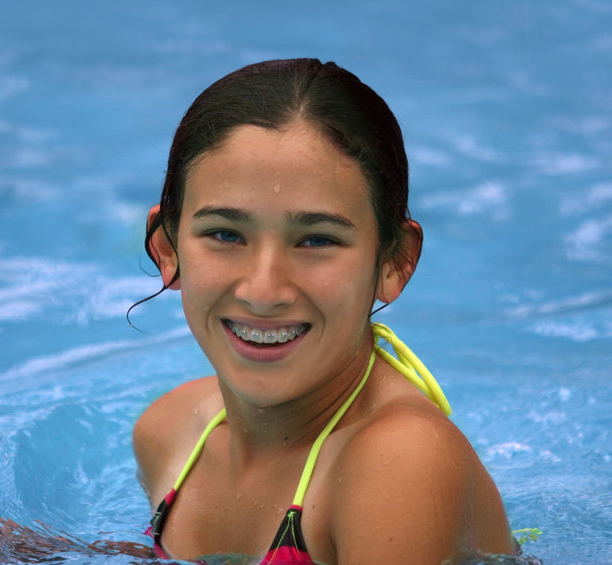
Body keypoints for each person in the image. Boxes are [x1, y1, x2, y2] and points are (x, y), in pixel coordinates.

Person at [133, 58, 517, 564]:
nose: (263, 290)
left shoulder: (399, 463)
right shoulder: (170, 430)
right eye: (226, 234)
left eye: (317, 239)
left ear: (394, 262)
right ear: (167, 249)